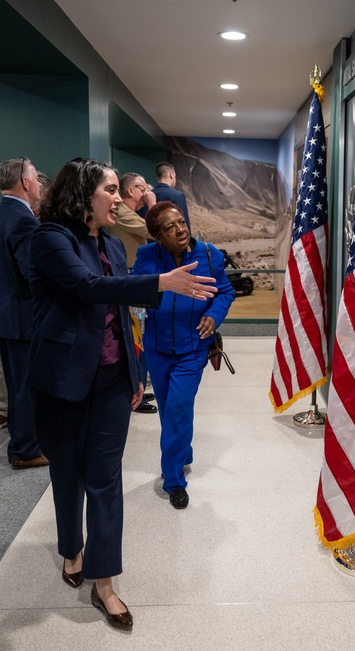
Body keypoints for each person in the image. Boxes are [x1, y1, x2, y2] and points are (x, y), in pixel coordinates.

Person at [27, 158, 216, 630]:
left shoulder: (112, 241)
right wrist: (161, 282)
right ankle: (72, 549)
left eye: (118, 189)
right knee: (68, 475)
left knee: (106, 479)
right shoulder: (50, 238)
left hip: (112, 379)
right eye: (111, 190)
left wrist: (134, 375)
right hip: (64, 383)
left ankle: (105, 582)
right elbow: (89, 287)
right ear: (82, 194)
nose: (120, 198)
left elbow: (119, 309)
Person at [133, 201, 235, 509]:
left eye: (181, 222)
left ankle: (174, 479)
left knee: (178, 407)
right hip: (157, 347)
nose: (180, 229)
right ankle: (182, 450)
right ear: (156, 236)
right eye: (169, 227)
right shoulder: (146, 256)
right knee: (168, 408)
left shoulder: (208, 254)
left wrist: (214, 316)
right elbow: (136, 291)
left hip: (193, 347)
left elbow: (225, 292)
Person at [0, 156, 47, 469]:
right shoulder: (22, 219)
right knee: (25, 386)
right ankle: (25, 449)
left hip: (7, 316)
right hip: (24, 318)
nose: (38, 185)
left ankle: (25, 444)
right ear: (25, 182)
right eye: (35, 179)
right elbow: (31, 272)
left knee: (17, 383)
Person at [110, 172, 156, 414]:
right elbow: (156, 230)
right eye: (142, 187)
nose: (146, 191)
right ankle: (134, 390)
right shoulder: (123, 214)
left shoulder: (130, 214)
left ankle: (137, 386)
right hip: (128, 280)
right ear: (130, 191)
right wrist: (153, 205)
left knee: (139, 336)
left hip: (133, 278)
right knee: (136, 338)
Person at [150, 162, 191, 235]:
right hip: (172, 243)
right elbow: (184, 224)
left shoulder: (146, 197)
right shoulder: (177, 195)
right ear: (171, 175)